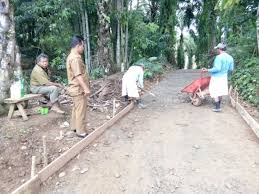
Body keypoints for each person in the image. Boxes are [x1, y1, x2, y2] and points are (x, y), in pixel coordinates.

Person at [66, 35, 90, 138]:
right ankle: (81, 132)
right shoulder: (75, 58)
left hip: (75, 88)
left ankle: (74, 127)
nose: (83, 48)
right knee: (81, 110)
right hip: (78, 88)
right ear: (78, 45)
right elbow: (78, 76)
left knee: (76, 108)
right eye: (83, 46)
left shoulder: (71, 56)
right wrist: (86, 88)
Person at [202, 43, 234, 112]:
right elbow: (231, 69)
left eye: (218, 49)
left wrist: (207, 70)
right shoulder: (230, 57)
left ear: (219, 49)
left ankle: (217, 107)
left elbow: (217, 68)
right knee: (220, 91)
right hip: (224, 77)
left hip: (216, 77)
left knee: (214, 91)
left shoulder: (219, 57)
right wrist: (225, 72)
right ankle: (218, 104)